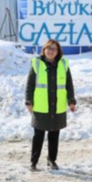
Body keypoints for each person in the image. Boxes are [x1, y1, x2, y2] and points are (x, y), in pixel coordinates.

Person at [25, 39, 76, 171]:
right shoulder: (36, 63)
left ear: (58, 51)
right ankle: (33, 162)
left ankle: (51, 160)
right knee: (38, 135)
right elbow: (30, 84)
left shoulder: (63, 64)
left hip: (57, 106)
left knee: (54, 135)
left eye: (54, 49)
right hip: (41, 106)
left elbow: (69, 84)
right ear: (44, 50)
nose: (51, 51)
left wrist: (71, 100)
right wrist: (28, 101)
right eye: (49, 48)